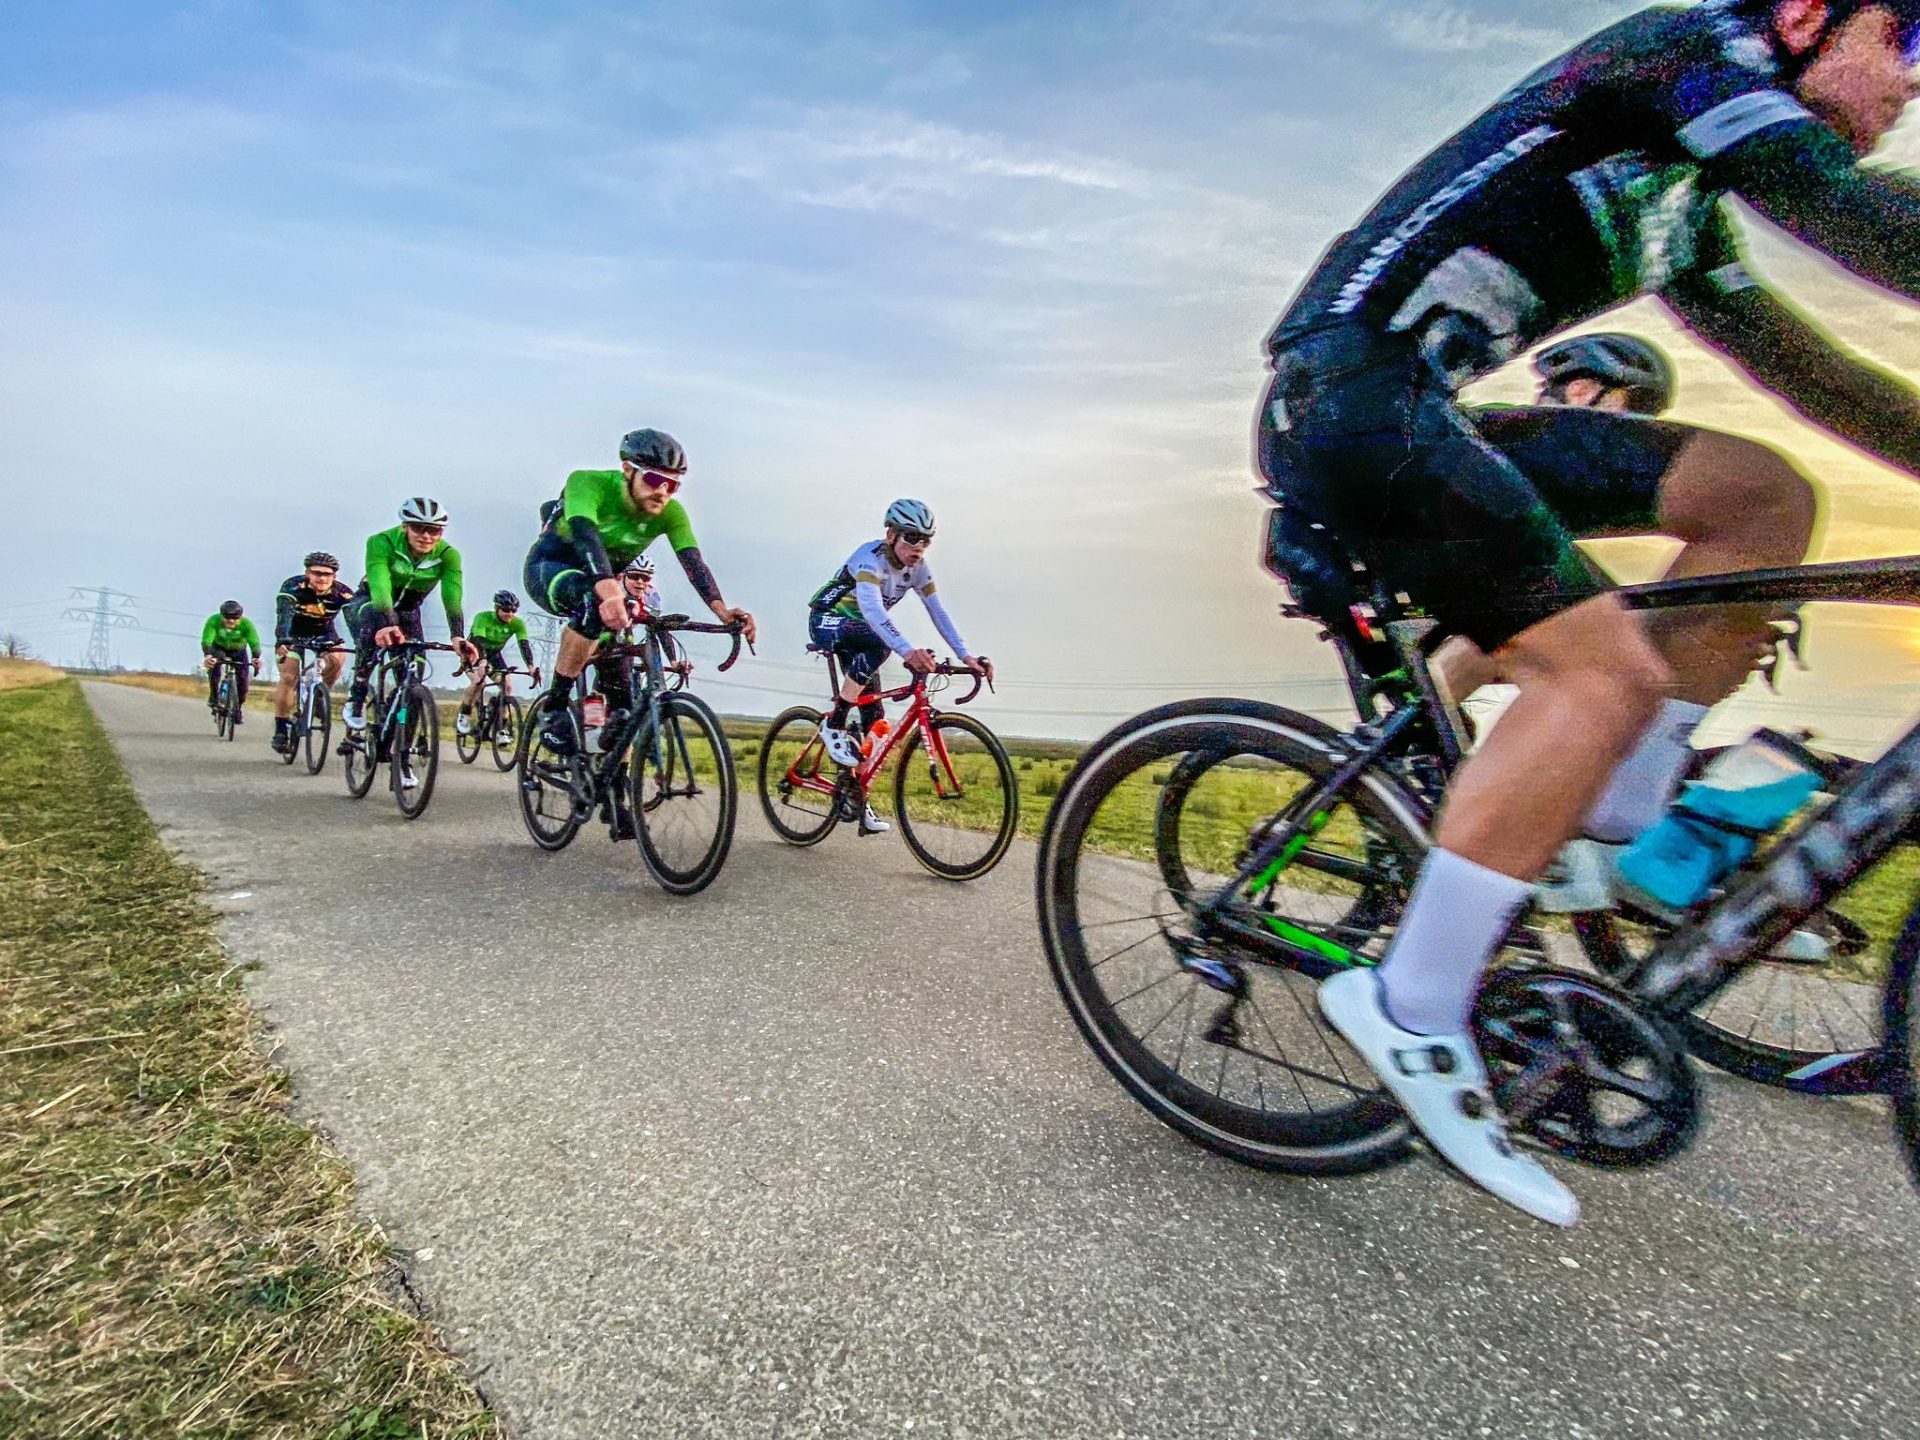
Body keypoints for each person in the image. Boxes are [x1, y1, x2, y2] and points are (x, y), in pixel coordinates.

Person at [1257, 0, 1920, 1225]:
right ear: (1807, 14)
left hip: (1421, 408)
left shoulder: (1684, 208)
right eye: (1910, 44)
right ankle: (1412, 1006)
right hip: (1346, 393)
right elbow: (1852, 215)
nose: (1911, 90)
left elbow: (1815, 373)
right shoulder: (1673, 58)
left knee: (1762, 493)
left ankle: (1608, 824)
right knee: (1599, 674)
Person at [524, 427, 756, 771]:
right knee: (595, 603)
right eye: (653, 479)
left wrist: (722, 611)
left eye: (673, 484)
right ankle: (555, 707)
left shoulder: (671, 514)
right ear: (628, 469)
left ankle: (616, 796)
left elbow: (694, 563)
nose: (662, 491)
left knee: (624, 698)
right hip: (551, 568)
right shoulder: (587, 483)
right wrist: (607, 589)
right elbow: (586, 537)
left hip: (604, 583)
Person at [807, 499, 994, 835]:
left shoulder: (918, 569)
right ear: (891, 534)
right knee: (879, 644)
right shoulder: (869, 560)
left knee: (876, 722)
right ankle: (834, 724)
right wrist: (908, 652)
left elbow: (938, 612)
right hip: (830, 619)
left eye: (926, 540)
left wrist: (966, 656)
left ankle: (855, 796)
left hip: (864, 634)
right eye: (911, 537)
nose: (918, 547)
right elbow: (875, 614)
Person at [342, 498, 479, 739]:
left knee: (413, 680)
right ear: (405, 526)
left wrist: (458, 636)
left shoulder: (448, 555)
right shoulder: (381, 542)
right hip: (371, 603)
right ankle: (357, 696)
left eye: (435, 530)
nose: (427, 536)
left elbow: (452, 597)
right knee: (370, 634)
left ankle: (402, 743)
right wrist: (387, 625)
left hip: (408, 613)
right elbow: (380, 586)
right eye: (419, 528)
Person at [270, 551, 353, 754]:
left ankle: (319, 697)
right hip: (294, 634)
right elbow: (284, 615)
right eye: (316, 573)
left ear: (334, 576)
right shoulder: (292, 587)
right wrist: (283, 639)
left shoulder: (343, 593)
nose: (322, 578)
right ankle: (280, 728)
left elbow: (356, 621)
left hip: (325, 634)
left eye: (327, 574)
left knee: (339, 656)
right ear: (307, 573)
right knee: (289, 676)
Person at [460, 590, 540, 738]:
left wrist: (531, 666)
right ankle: (464, 714)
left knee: (507, 686)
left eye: (513, 610)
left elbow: (524, 644)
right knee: (479, 682)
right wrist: (482, 662)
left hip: (495, 655)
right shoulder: (482, 618)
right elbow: (479, 641)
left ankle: (501, 728)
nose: (510, 614)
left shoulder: (517, 623)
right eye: (506, 610)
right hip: (474, 653)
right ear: (496, 608)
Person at [201, 600, 262, 720]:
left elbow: (254, 642)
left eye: (235, 618)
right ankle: (214, 698)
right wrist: (208, 655)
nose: (231, 621)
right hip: (219, 648)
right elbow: (207, 640)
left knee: (243, 681)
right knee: (214, 669)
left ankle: (237, 708)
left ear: (240, 617)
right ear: (221, 615)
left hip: (238, 650)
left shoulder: (246, 624)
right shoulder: (214, 621)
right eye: (227, 618)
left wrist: (255, 657)